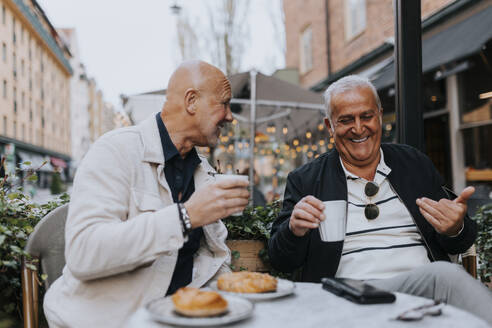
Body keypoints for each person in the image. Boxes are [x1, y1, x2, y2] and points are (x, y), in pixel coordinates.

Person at [268, 75, 492, 324]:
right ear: (330, 126)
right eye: (345, 120)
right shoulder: (306, 180)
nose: (358, 128)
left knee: (446, 277)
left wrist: (455, 228)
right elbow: (281, 260)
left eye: (366, 116)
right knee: (446, 276)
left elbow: (461, 242)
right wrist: (293, 230)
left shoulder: (414, 164)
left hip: (421, 291)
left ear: (380, 116)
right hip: (347, 298)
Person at [44, 61, 250, 327]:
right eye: (224, 103)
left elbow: (214, 256)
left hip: (176, 318)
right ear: (191, 101)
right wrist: (184, 217)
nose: (230, 116)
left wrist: (234, 307)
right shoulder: (114, 150)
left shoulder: (203, 171)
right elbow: (84, 253)